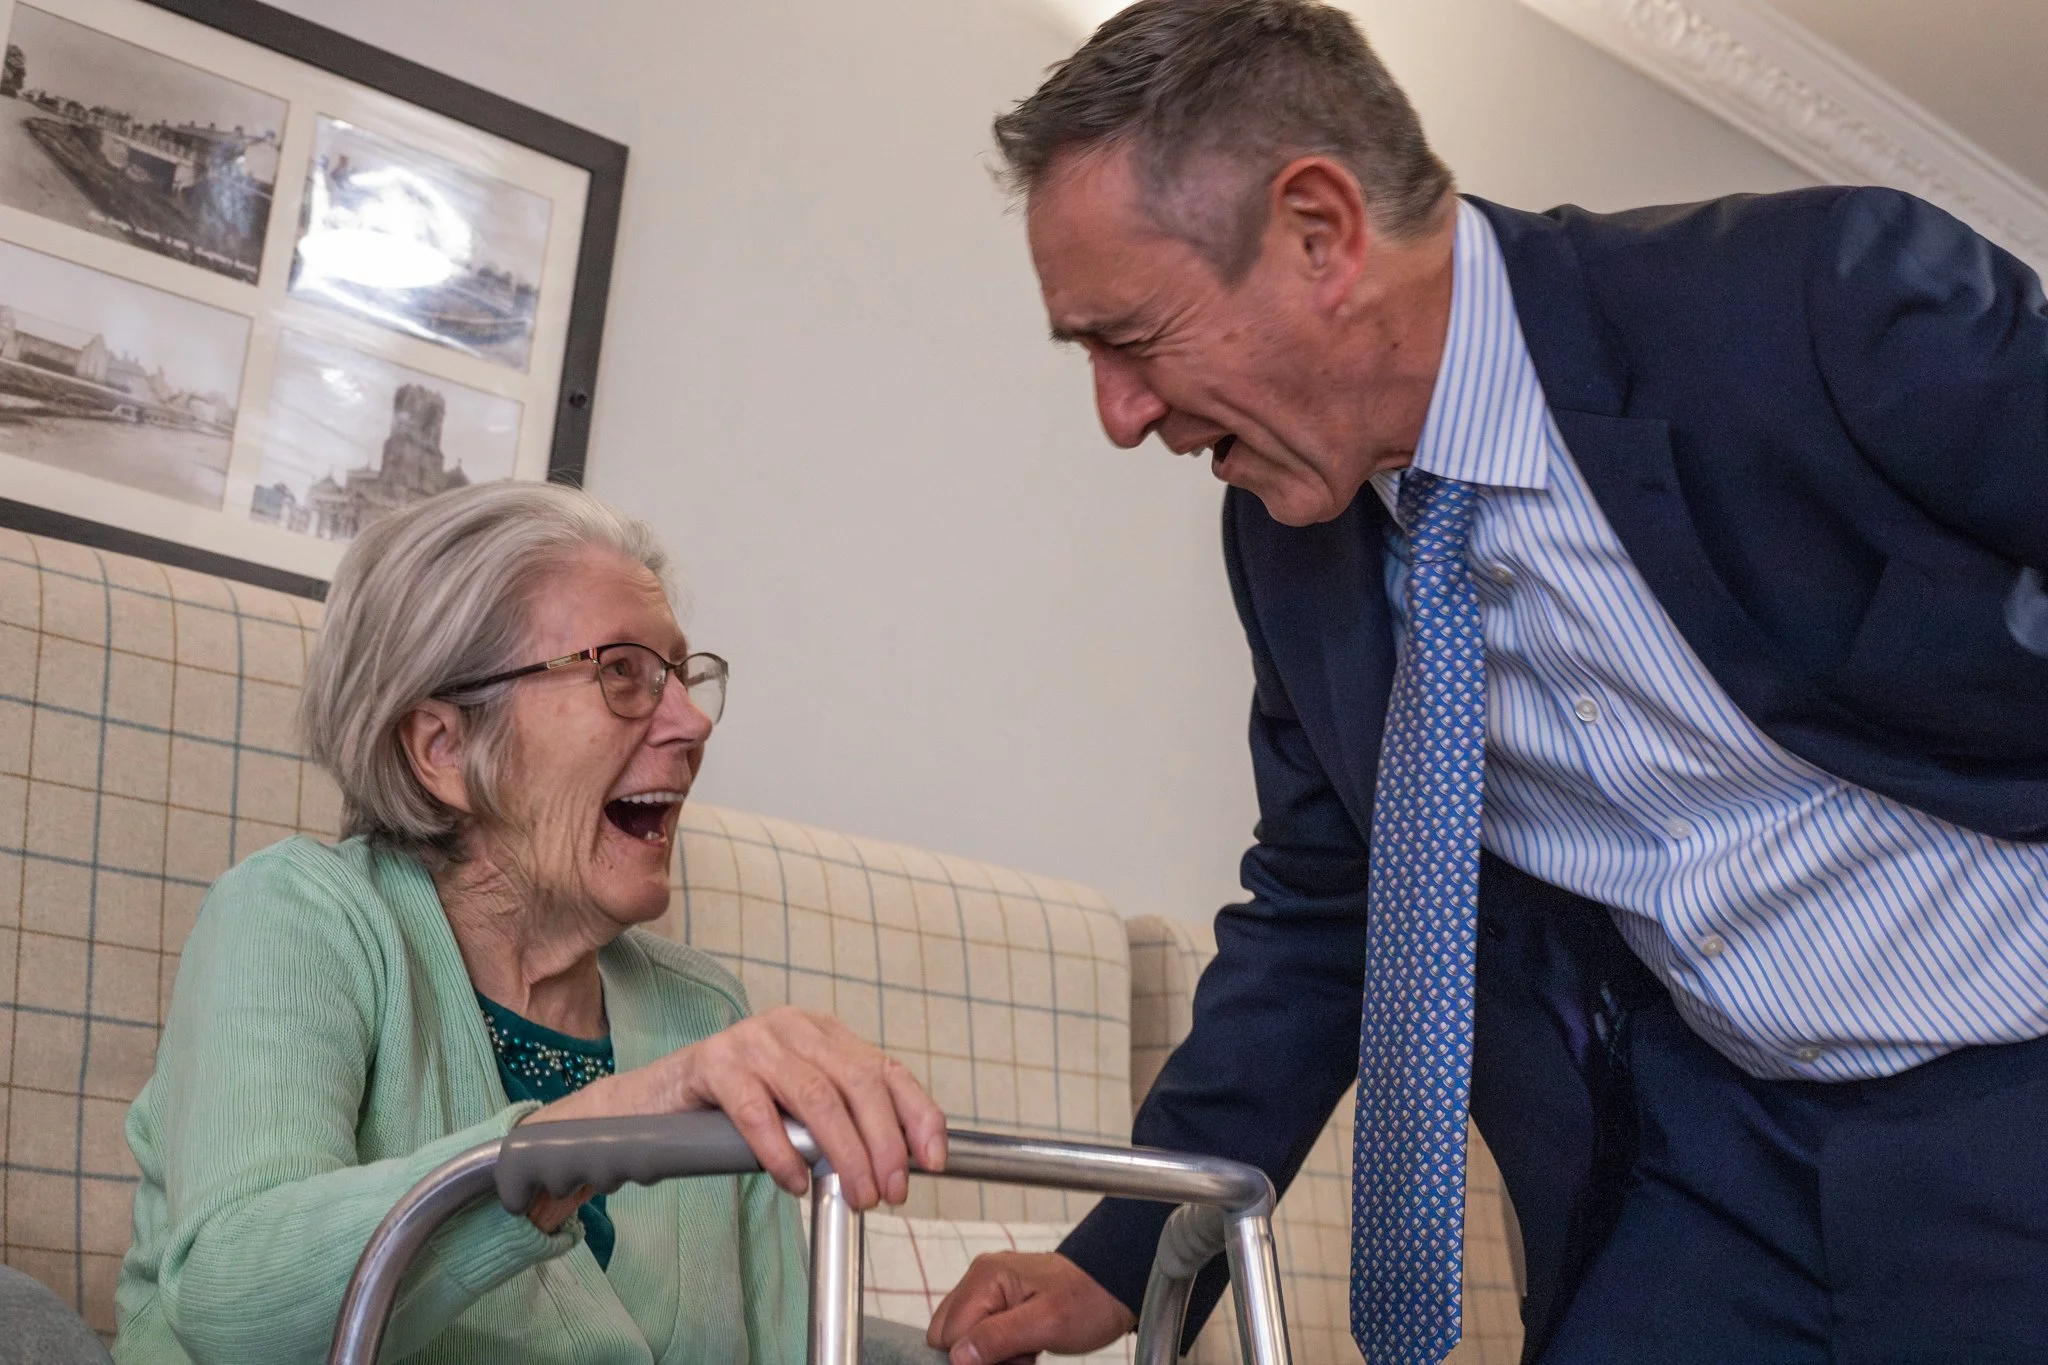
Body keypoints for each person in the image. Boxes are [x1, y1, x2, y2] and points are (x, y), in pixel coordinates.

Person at [925, 2, 2048, 1363]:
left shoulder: (1816, 302)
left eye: (1131, 337)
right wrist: (1119, 1256)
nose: (1118, 414)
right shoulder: (1290, 545)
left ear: (1320, 231)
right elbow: (1328, 908)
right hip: (1716, 1154)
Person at [114, 482, 950, 1364]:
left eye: (681, 675)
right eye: (622, 672)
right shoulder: (301, 918)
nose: (692, 721)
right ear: (444, 749)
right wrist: (613, 1121)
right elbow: (234, 1302)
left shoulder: (704, 1011)